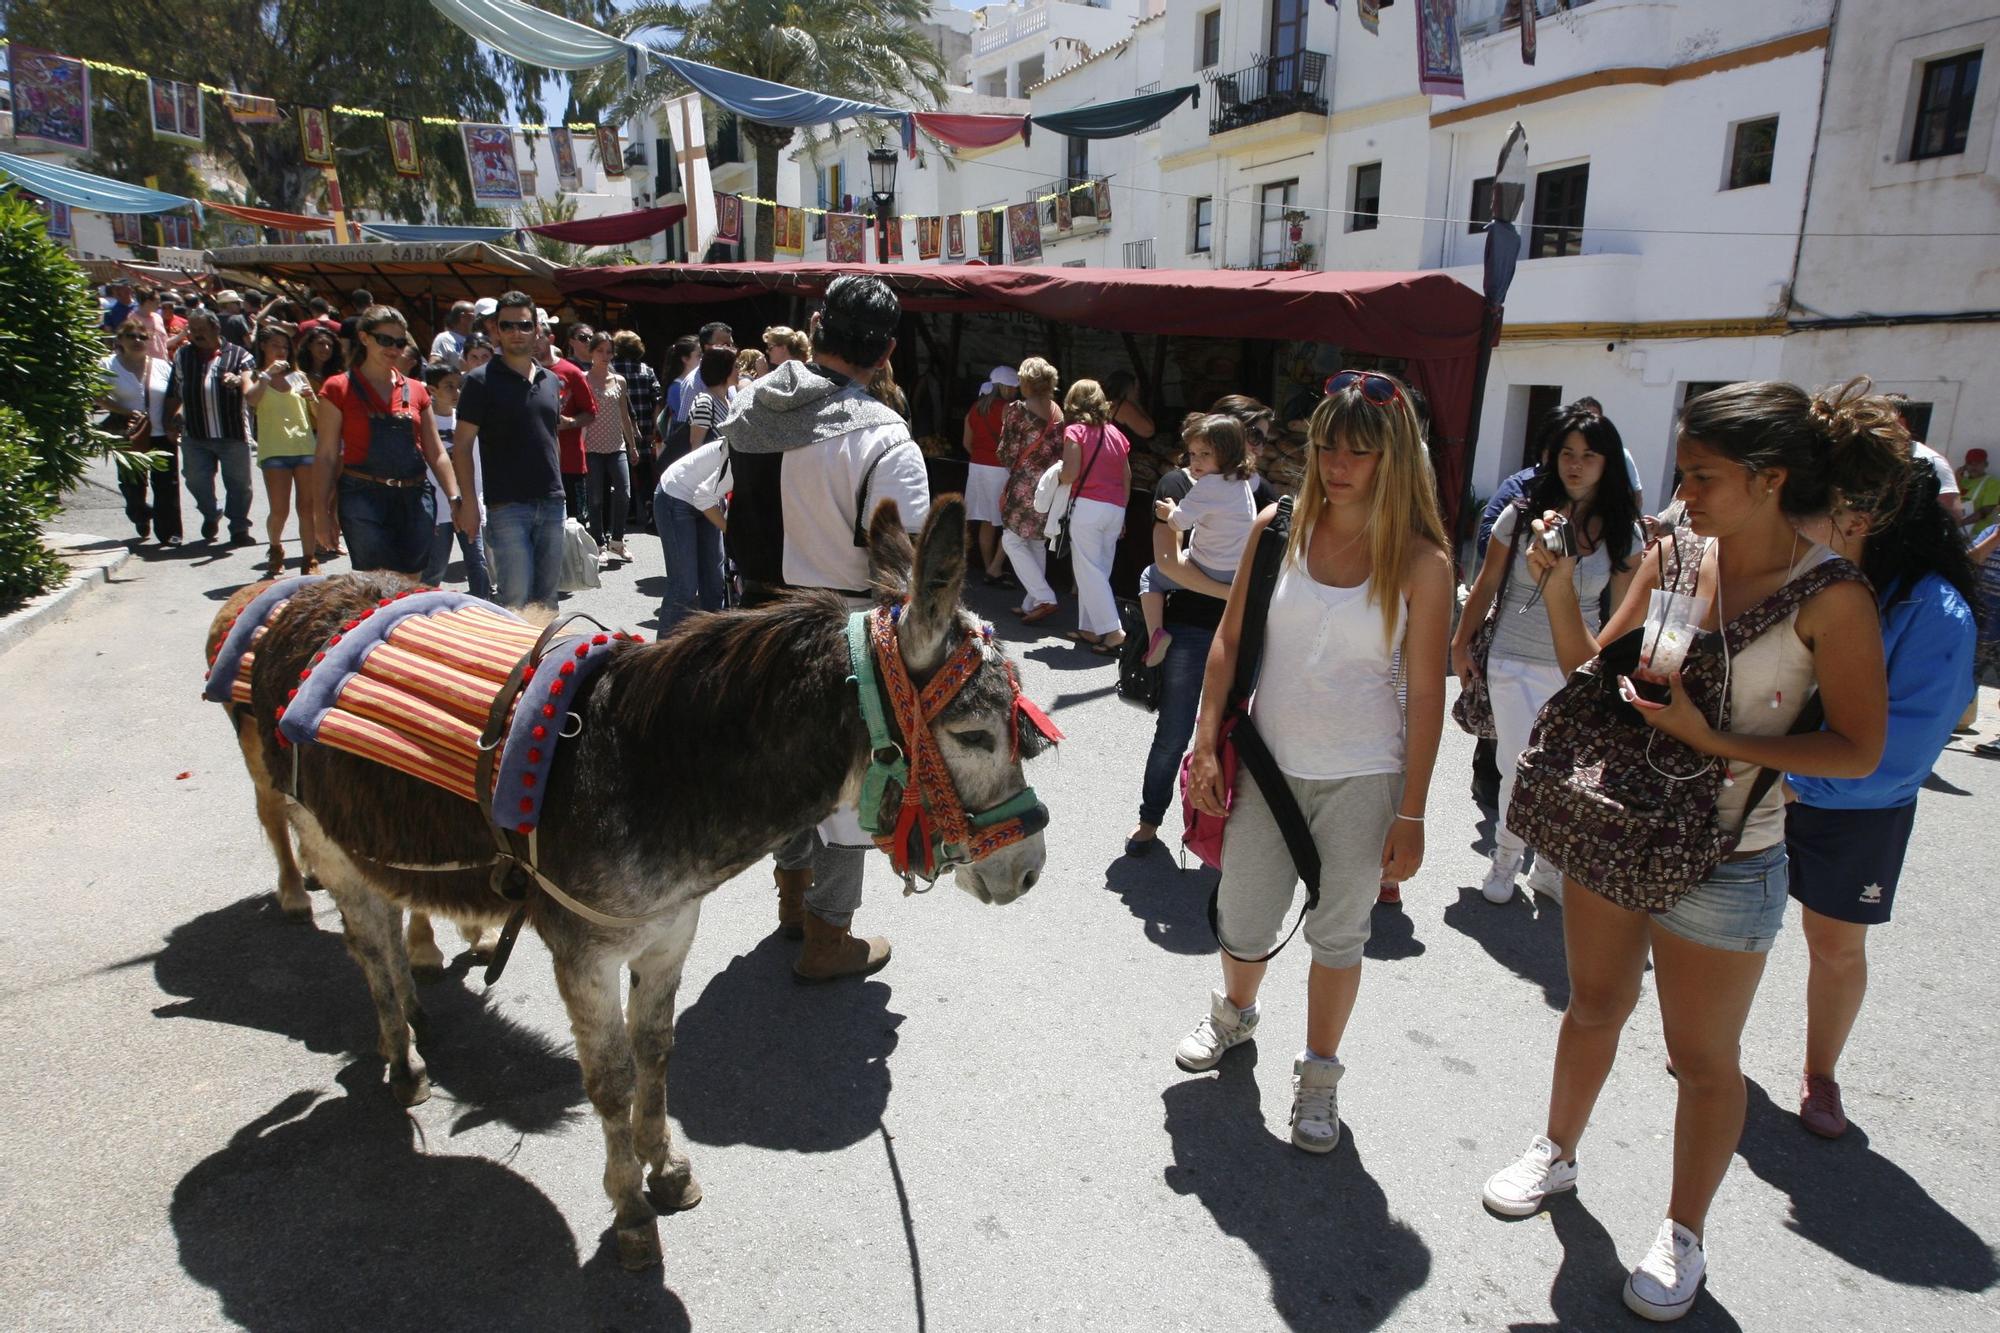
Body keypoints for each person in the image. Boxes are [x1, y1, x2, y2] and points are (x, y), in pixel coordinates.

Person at [1480, 379, 1903, 1322]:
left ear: (1769, 478)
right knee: (1592, 1005)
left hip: (1734, 853)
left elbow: (1860, 748)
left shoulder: (1831, 595)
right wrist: (1554, 586)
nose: (1681, 493)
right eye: (1681, 471)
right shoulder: (1675, 554)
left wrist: (1717, 742)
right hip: (1622, 822)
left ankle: (1683, 1231)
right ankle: (1556, 1149)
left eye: (1703, 475)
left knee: (1701, 1058)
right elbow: (1600, 665)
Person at [1177, 369, 1452, 1157]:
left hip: (1366, 776)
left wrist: (1414, 810)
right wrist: (1203, 741)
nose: (1337, 463)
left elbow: (1426, 696)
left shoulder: (1423, 562)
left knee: (1340, 935)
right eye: (1327, 445)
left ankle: (1320, 1076)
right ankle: (1235, 1013)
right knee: (1244, 914)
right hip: (1267, 761)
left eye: (1358, 451)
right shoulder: (1279, 525)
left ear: (1393, 457)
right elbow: (1229, 639)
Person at [723, 274, 929, 982]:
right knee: (846, 794)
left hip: (754, 626)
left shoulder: (749, 406)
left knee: (783, 776)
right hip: (840, 632)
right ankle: (826, 937)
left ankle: (792, 900)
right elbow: (903, 569)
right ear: (888, 350)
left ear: (817, 325)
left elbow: (685, 486)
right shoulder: (884, 438)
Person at [1781, 454, 1976, 1137]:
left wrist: (1791, 780)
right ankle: (1711, 1047)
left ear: (1869, 519)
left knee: (1835, 946)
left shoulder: (1937, 613)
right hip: (1771, 786)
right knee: (1734, 925)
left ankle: (1821, 1073)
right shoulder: (1811, 576)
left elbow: (1900, 755)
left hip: (1854, 811)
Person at [1453, 405, 1643, 906]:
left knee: (1567, 772)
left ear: (1609, 464)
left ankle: (1551, 866)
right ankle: (1506, 857)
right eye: (1566, 453)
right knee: (1518, 765)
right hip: (1512, 657)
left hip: (1579, 667)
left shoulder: (1625, 532)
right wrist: (1460, 643)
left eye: (1589, 456)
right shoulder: (1519, 516)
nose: (1575, 465)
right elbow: (1486, 582)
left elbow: (1626, 615)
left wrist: (1620, 680)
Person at [1126, 397, 1285, 859]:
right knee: (1175, 732)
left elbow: (1272, 566)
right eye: (1247, 432)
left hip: (1244, 635)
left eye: (1259, 435)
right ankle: (1150, 817)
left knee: (1231, 735)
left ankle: (1217, 830)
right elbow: (1166, 562)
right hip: (1193, 627)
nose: (1255, 443)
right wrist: (1234, 597)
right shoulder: (1179, 483)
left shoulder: (1267, 497)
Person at [314, 306, 460, 577]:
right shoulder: (337, 388)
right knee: (377, 585)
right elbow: (326, 456)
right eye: (385, 340)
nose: (393, 348)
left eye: (400, 342)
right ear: (364, 338)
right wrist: (321, 511)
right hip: (363, 496)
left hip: (415, 497)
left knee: (412, 582)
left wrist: (455, 497)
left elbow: (436, 452)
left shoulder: (416, 389)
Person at [453, 291, 567, 611]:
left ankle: (545, 662)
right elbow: (461, 447)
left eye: (524, 325)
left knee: (547, 601)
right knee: (514, 600)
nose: (517, 332)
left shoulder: (551, 380)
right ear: (496, 331)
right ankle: (513, 661)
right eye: (508, 325)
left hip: (552, 501)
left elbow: (550, 437)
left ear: (537, 330)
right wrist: (468, 504)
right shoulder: (479, 381)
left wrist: (561, 493)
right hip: (506, 506)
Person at [1139, 414, 1257, 667]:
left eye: (1205, 454)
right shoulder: (1243, 480)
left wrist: (1168, 512)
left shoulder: (1208, 486)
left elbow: (1179, 522)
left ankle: (1156, 635)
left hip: (1209, 565)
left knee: (1150, 576)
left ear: (1227, 453)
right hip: (1235, 567)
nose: (1196, 462)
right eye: (1192, 454)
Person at [163, 310, 259, 547]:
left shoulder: (240, 356)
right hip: (195, 433)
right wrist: (169, 420)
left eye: (201, 330)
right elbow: (174, 391)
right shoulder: (183, 356)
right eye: (193, 330)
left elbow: (251, 384)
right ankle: (210, 512)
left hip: (232, 432)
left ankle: (239, 528)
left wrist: (238, 382)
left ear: (216, 329)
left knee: (239, 484)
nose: (196, 335)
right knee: (195, 479)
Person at [1057, 379, 1132, 654]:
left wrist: (1057, 473)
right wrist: (1122, 511)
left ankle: (1114, 631)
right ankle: (1089, 628)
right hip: (1114, 508)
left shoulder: (1075, 431)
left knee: (1088, 570)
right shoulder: (1116, 434)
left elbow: (1070, 474)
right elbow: (1126, 477)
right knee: (1099, 570)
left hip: (1087, 506)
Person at [243, 323, 321, 576]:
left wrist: (312, 398)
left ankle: (309, 558)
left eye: (285, 346)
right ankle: (275, 548)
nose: (281, 350)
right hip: (275, 450)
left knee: (306, 507)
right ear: (263, 346)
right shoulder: (253, 375)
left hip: (304, 447)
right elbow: (251, 400)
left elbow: (318, 418)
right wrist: (267, 375)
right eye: (275, 345)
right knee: (280, 509)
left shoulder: (298, 376)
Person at [97, 318, 181, 547]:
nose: (137, 341)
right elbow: (96, 395)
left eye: (142, 337)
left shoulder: (162, 365)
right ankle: (141, 515)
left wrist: (175, 422)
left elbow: (176, 395)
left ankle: (170, 532)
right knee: (132, 485)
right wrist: (124, 411)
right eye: (131, 336)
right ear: (120, 340)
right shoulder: (107, 365)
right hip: (129, 434)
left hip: (161, 434)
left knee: (167, 485)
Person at [997, 357, 1066, 625]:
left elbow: (1007, 453)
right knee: (1036, 541)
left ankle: (1044, 597)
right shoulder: (1058, 413)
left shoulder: (1017, 410)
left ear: (1025, 382)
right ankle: (1033, 602)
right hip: (1051, 486)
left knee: (1011, 540)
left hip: (1025, 485)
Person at [420, 362, 491, 598]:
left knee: (478, 562)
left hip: (467, 504)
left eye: (458, 386)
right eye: (448, 386)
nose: (456, 392)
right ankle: (423, 609)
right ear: (432, 390)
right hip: (438, 509)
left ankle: (483, 607)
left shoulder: (465, 420)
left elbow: (476, 465)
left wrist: (477, 499)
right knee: (436, 566)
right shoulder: (423, 422)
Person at [581, 331, 641, 563]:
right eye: (600, 351)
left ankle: (617, 540)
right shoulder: (583, 378)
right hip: (592, 446)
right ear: (592, 352)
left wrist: (632, 445)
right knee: (595, 498)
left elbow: (624, 415)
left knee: (624, 494)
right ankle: (598, 543)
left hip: (617, 446)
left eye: (609, 351)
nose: (605, 356)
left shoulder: (620, 381)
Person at [541, 315, 598, 526]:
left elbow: (590, 412)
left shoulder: (572, 373)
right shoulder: (521, 373)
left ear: (550, 339)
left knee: (574, 526)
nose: (533, 342)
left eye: (539, 337)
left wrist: (570, 422)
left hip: (569, 462)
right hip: (533, 464)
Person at [963, 367, 1018, 585]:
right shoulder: (1008, 409)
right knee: (1009, 521)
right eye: (1013, 387)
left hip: (977, 468)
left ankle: (989, 567)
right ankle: (995, 568)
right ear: (1003, 387)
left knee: (987, 521)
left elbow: (967, 443)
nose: (1015, 392)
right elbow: (1014, 444)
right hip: (1000, 470)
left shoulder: (974, 408)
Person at [610, 331, 661, 531]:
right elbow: (657, 400)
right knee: (646, 471)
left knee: (624, 473)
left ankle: (629, 512)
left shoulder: (612, 371)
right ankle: (649, 508)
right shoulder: (646, 370)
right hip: (645, 428)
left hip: (618, 429)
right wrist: (654, 427)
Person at [672, 321, 733, 425]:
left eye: (731, 344)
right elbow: (685, 425)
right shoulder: (693, 383)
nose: (731, 350)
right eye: (725, 345)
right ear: (707, 347)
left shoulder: (729, 375)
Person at [1103, 369, 1158, 458]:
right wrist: (1135, 401)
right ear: (1129, 388)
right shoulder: (1123, 406)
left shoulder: (1105, 404)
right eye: (1136, 388)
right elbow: (1149, 430)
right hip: (1128, 459)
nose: (1138, 392)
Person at [659, 334, 701, 427]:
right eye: (699, 356)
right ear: (685, 359)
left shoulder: (697, 382)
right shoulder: (676, 388)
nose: (703, 359)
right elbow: (685, 423)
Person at [1956, 448, 2000, 533]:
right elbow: (1952, 502)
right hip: (1958, 532)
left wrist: (1961, 523)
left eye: (1978, 463)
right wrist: (1957, 479)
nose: (1973, 466)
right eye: (1970, 463)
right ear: (1965, 466)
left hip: (1977, 534)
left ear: (1985, 464)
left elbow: (1986, 510)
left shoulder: (1992, 483)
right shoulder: (1962, 480)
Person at [431, 301, 474, 368]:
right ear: (462, 317)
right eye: (473, 316)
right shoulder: (444, 338)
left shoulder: (475, 339)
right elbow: (434, 365)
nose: (476, 319)